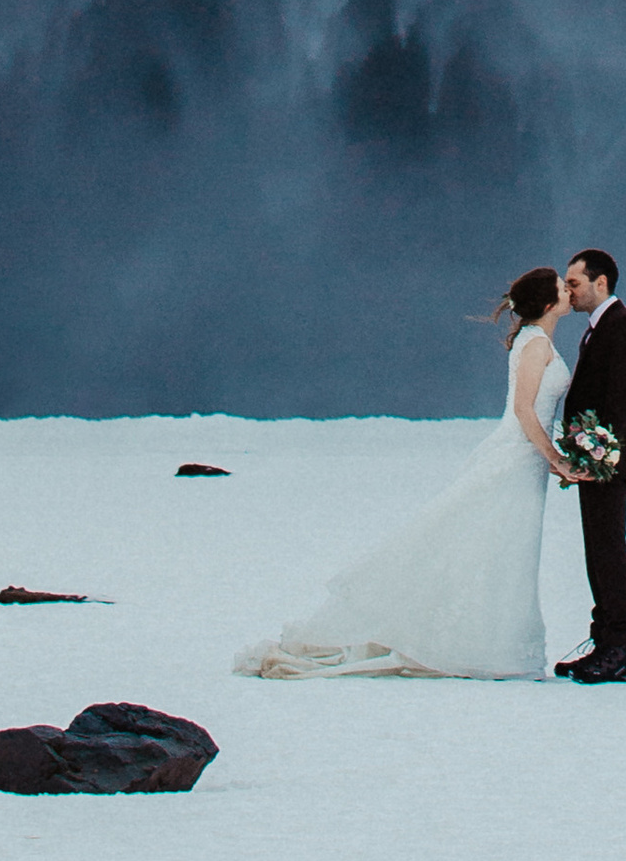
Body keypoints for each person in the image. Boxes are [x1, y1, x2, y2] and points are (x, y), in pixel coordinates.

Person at [233, 266, 576, 679]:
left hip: (524, 459)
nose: (569, 292)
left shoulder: (535, 341)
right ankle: (482, 645)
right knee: (497, 544)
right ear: (547, 303)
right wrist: (554, 456)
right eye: (563, 288)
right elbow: (524, 410)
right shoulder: (536, 345)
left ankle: (489, 640)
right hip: (517, 457)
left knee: (500, 547)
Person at [553, 248, 626, 685]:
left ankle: (620, 650)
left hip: (608, 461)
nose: (568, 292)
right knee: (600, 551)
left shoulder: (623, 327)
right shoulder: (601, 328)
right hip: (598, 459)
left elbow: (621, 404)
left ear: (601, 283)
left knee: (609, 551)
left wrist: (599, 458)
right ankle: (604, 641)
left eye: (574, 283)